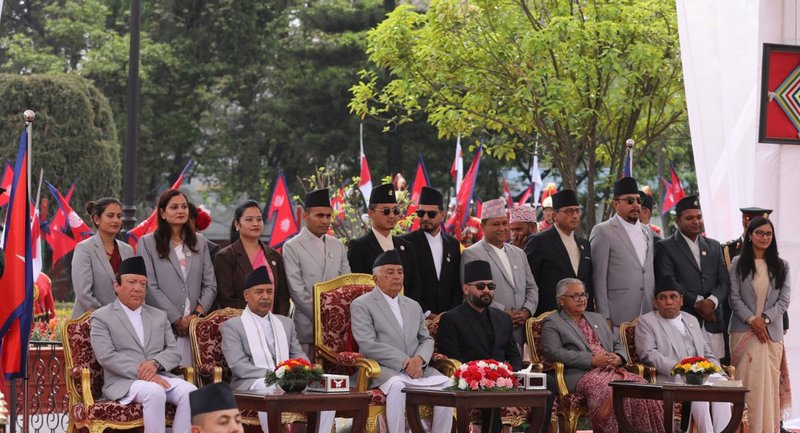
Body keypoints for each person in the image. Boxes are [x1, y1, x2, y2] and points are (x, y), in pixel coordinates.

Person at [541, 278, 664, 433]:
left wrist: (619, 357)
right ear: (561, 300)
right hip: (581, 373)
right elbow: (553, 352)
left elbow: (617, 344)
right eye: (575, 296)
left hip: (612, 369)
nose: (582, 299)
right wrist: (591, 360)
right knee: (609, 389)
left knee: (642, 385)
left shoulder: (596, 318)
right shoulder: (553, 322)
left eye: (584, 295)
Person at [221, 266, 334, 433]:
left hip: (288, 379)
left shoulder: (285, 323)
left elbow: (299, 355)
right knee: (271, 388)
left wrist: (302, 373)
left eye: (269, 292)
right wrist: (277, 376)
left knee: (324, 389)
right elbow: (239, 366)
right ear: (246, 296)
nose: (265, 297)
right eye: (259, 292)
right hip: (251, 383)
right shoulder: (233, 326)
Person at [350, 251, 453, 433]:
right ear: (376, 278)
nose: (396, 276)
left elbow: (426, 338)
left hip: (419, 368)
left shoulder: (413, 305)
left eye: (400, 272)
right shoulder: (362, 304)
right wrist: (405, 362)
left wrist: (419, 360)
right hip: (382, 369)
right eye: (389, 272)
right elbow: (367, 342)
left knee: (446, 384)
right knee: (398, 386)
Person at [90, 256, 197, 433]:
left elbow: (173, 351)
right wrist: (144, 372)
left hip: (159, 374)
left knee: (192, 393)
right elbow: (106, 356)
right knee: (154, 392)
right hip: (123, 381)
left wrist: (154, 365)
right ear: (116, 286)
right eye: (131, 282)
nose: (138, 288)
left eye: (143, 284)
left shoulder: (159, 315)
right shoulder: (102, 317)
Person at [438, 260, 527, 433]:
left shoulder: (502, 318)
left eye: (490, 286)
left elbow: (513, 354)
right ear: (466, 289)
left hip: (504, 378)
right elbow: (452, 358)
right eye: (480, 286)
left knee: (549, 386)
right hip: (472, 380)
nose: (486, 290)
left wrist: (512, 374)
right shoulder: (451, 319)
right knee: (492, 392)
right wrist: (485, 374)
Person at [636, 284, 732, 433]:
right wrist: (680, 369)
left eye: (673, 297)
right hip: (672, 376)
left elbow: (707, 353)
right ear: (655, 302)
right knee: (697, 388)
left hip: (700, 374)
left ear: (681, 300)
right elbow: (648, 353)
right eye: (663, 298)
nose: (668, 302)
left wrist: (720, 372)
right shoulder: (647, 321)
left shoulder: (691, 319)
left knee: (722, 385)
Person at [138, 189, 218, 365]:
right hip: (163, 326)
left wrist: (196, 315)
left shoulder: (200, 242)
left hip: (195, 327)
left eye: (183, 207)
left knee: (194, 380)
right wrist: (176, 319)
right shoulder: (147, 243)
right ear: (162, 213)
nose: (180, 211)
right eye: (174, 207)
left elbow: (210, 285)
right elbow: (149, 286)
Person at [729, 217, 791, 433]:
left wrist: (763, 320)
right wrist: (752, 321)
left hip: (770, 334)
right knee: (747, 385)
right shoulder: (738, 263)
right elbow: (734, 298)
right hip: (743, 331)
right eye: (760, 233)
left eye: (768, 234)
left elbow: (784, 300)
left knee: (768, 387)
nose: (765, 237)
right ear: (750, 235)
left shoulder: (781, 265)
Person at [654, 195, 729, 359]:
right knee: (689, 369)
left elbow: (724, 282)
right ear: (678, 221)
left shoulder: (714, 245)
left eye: (699, 217)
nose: (696, 221)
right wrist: (698, 303)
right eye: (690, 218)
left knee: (716, 370)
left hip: (713, 320)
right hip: (684, 318)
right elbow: (669, 280)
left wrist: (712, 302)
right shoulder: (665, 247)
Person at [461, 198, 539, 346]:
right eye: (496, 224)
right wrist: (503, 313)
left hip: (519, 328)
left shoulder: (519, 253)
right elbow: (471, 293)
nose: (502, 228)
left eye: (504, 223)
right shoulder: (472, 253)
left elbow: (532, 287)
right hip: (489, 326)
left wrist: (526, 311)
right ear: (483, 226)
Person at [283, 188, 351, 356]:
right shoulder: (292, 246)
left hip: (337, 328)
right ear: (306, 217)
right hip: (307, 325)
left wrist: (337, 316)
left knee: (336, 377)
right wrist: (324, 316)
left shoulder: (337, 245)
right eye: (319, 216)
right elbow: (296, 291)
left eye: (328, 216)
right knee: (309, 376)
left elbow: (347, 284)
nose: (325, 221)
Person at [590, 176, 655, 330]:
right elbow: (598, 278)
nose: (636, 205)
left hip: (647, 312)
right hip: (618, 315)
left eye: (639, 201)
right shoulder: (603, 231)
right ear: (616, 204)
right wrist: (604, 316)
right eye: (630, 201)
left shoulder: (647, 231)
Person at [213, 200, 290, 315]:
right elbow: (226, 299)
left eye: (259, 219)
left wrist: (277, 321)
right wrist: (256, 316)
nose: (256, 223)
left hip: (273, 323)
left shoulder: (274, 256)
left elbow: (283, 295)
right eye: (249, 220)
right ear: (237, 224)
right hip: (241, 323)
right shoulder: (226, 257)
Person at [347, 183, 420, 300]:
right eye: (386, 211)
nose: (392, 216)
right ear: (371, 213)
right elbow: (357, 287)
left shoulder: (406, 246)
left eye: (395, 210)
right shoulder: (359, 247)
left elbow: (415, 285)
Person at [526, 189, 593, 315]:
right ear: (554, 216)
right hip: (550, 315)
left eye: (577, 211)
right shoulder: (539, 241)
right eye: (569, 211)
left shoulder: (584, 244)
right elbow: (530, 282)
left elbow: (588, 282)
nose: (574, 215)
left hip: (582, 315)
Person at [400, 186, 462, 318]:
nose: (425, 218)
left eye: (431, 214)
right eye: (421, 213)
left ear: (442, 215)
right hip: (417, 317)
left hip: (449, 318)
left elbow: (456, 283)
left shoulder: (453, 244)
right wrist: (427, 313)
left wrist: (451, 313)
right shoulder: (405, 243)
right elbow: (406, 284)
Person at [71, 197, 134, 318]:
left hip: (123, 321)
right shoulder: (84, 249)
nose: (116, 220)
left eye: (119, 216)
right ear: (96, 219)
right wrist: (107, 318)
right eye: (110, 215)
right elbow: (84, 294)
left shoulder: (128, 250)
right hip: (90, 321)